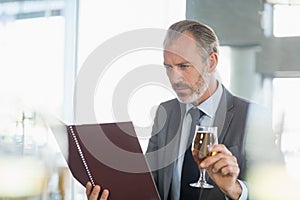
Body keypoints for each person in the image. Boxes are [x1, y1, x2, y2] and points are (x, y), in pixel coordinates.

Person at [86, 20, 281, 200]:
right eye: (168, 67)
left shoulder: (253, 117)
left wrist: (235, 188)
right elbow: (149, 186)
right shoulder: (165, 112)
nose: (174, 78)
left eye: (184, 66)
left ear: (211, 62)